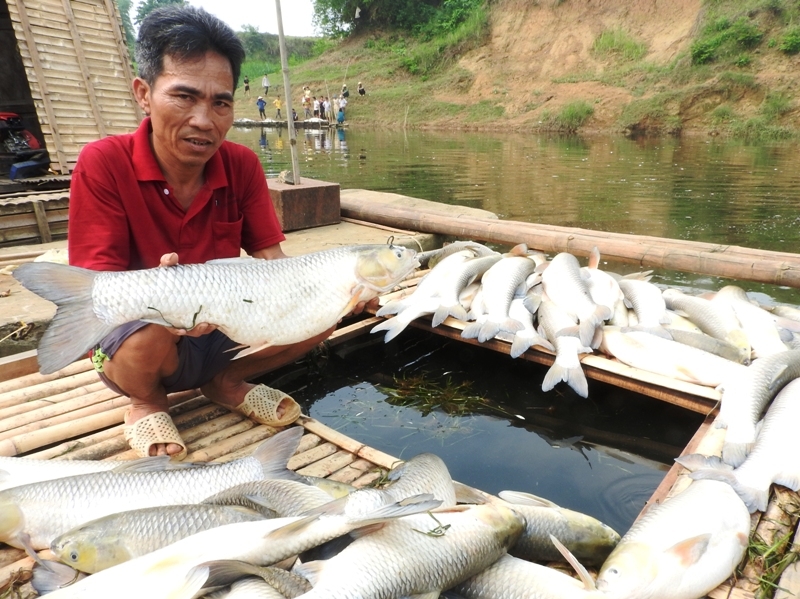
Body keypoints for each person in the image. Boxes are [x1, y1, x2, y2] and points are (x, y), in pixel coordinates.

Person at [67, 5, 364, 459]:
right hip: (138, 344)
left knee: (324, 310)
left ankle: (223, 382)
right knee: (148, 325)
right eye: (185, 96)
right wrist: (164, 300)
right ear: (144, 94)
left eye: (220, 102)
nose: (205, 120)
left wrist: (338, 293)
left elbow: (273, 263)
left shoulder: (241, 164)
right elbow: (97, 292)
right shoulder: (103, 162)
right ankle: (146, 402)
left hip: (224, 329)